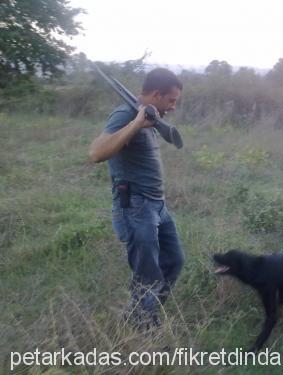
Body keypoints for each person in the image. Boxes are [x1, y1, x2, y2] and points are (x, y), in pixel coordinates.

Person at [89, 68, 184, 328]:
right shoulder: (126, 114)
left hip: (157, 207)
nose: (174, 106)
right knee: (148, 274)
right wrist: (136, 123)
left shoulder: (150, 118)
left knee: (174, 261)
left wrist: (145, 121)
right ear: (156, 94)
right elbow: (96, 153)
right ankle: (143, 328)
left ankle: (140, 315)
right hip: (135, 207)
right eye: (171, 100)